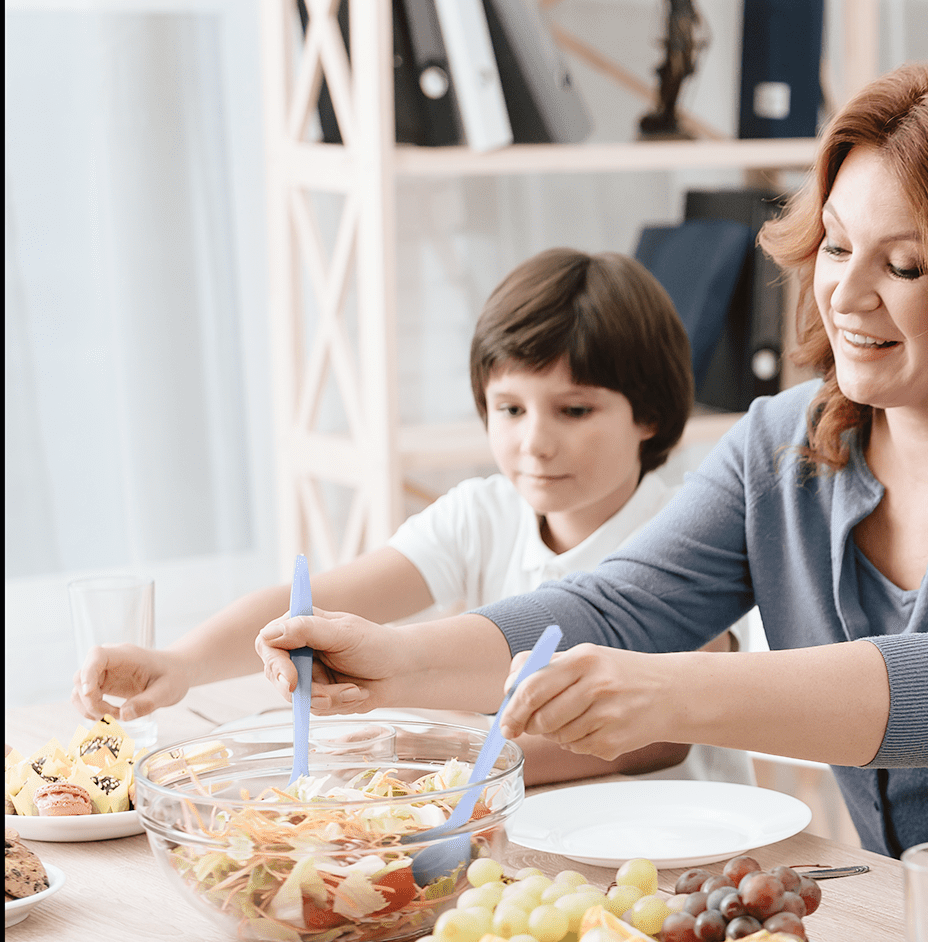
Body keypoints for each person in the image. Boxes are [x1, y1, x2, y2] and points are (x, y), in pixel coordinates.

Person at [251, 60, 928, 942]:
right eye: (835, 245)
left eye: (904, 265)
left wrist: (671, 694)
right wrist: (398, 661)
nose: (847, 294)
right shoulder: (786, 443)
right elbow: (618, 605)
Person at [75, 248, 749, 787]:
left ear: (650, 416)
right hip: (515, 821)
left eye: (574, 411)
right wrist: (180, 662)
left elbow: (656, 739)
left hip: (675, 840)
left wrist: (433, 748)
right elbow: (323, 601)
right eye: (510, 409)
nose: (534, 442)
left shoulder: (690, 529)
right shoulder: (483, 512)